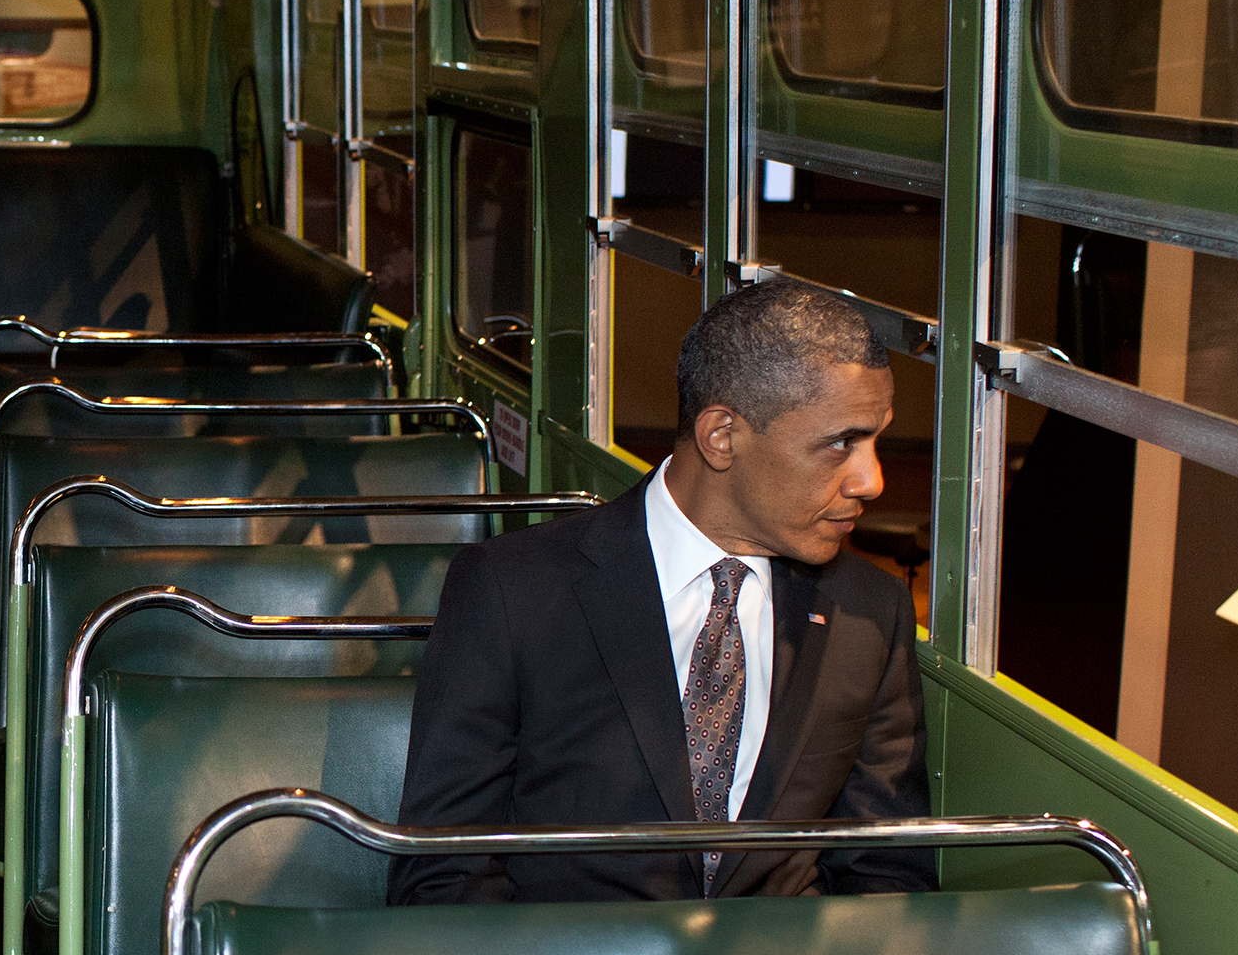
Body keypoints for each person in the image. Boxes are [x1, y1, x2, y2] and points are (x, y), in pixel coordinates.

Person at [388, 282, 935, 904]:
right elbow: (443, 873)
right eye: (842, 443)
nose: (872, 480)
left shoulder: (869, 612)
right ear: (722, 437)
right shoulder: (515, 590)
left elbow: (886, 874)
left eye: (876, 441)